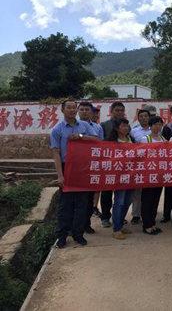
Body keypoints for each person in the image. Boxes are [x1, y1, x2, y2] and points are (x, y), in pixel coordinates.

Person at [51, 99, 97, 248]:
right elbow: (56, 153)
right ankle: (62, 235)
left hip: (83, 168)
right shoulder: (57, 129)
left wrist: (81, 137)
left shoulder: (84, 126)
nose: (72, 110)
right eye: (68, 107)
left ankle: (78, 234)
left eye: (74, 107)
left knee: (82, 203)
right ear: (62, 110)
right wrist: (60, 175)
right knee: (65, 205)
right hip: (67, 168)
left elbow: (96, 139)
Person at [77, 101, 103, 235]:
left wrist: (82, 137)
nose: (84, 112)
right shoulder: (73, 126)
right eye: (82, 109)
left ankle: (86, 224)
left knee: (89, 198)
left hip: (92, 165)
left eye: (87, 110)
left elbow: (100, 143)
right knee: (75, 198)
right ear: (78, 111)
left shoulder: (97, 127)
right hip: (76, 166)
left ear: (92, 112)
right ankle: (74, 226)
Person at [99, 101, 125, 228]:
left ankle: (118, 218)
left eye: (121, 110)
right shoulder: (104, 125)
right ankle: (105, 217)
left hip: (122, 166)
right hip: (108, 165)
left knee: (121, 195)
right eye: (117, 110)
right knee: (106, 193)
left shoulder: (126, 125)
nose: (119, 112)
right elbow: (100, 144)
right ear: (111, 111)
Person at [139, 116, 165, 235]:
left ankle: (152, 223)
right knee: (147, 200)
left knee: (155, 199)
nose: (157, 126)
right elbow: (140, 156)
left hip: (159, 174)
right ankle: (146, 225)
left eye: (160, 124)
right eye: (155, 124)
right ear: (150, 126)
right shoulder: (145, 139)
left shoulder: (163, 139)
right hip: (148, 174)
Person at [109, 118, 134, 240]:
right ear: (116, 128)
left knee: (128, 200)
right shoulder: (111, 142)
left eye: (127, 125)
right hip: (119, 176)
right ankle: (116, 229)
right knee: (119, 201)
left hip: (131, 175)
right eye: (123, 125)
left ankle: (120, 223)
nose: (126, 128)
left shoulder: (131, 139)